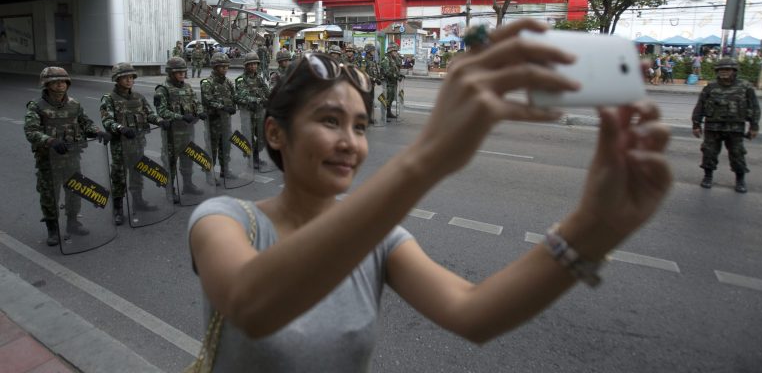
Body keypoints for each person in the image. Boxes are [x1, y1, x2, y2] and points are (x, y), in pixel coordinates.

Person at [187, 19, 672, 371]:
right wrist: (428, 158)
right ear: (275, 134)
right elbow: (252, 305)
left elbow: (473, 312)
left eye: (359, 126)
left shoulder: (380, 240)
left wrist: (593, 227)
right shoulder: (224, 219)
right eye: (329, 120)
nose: (350, 143)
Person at [24, 67, 111, 246]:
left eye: (63, 81)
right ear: (47, 84)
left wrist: (97, 132)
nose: (61, 84)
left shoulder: (74, 104)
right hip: (48, 160)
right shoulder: (37, 106)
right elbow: (31, 131)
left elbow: (85, 123)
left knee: (74, 192)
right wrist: (50, 141)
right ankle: (53, 228)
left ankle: (73, 223)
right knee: (50, 195)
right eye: (56, 81)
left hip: (72, 157)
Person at [100, 63, 169, 225]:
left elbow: (149, 114)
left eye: (131, 77)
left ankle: (138, 200)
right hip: (120, 145)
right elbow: (107, 120)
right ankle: (118, 208)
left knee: (137, 173)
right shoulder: (109, 99)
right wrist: (121, 128)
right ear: (117, 79)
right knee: (119, 176)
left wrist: (160, 121)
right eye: (125, 78)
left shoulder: (138, 97)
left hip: (138, 142)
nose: (129, 80)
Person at [692, 57, 761, 193]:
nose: (724, 72)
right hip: (713, 127)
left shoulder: (745, 87)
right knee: (709, 152)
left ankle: (740, 180)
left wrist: (754, 126)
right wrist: (696, 124)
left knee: (738, 154)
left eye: (727, 69)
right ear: (717, 71)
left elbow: (755, 107)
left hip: (735, 128)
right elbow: (700, 106)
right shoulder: (710, 87)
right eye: (721, 69)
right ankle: (708, 176)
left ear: (734, 71)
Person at [154, 57, 207, 203]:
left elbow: (196, 102)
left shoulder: (188, 87)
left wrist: (200, 112)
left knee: (188, 158)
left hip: (188, 131)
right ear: (170, 73)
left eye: (183, 71)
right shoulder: (162, 90)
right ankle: (170, 190)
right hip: (172, 133)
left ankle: (188, 185)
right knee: (170, 162)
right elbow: (162, 111)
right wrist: (181, 117)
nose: (182, 74)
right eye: (178, 72)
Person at [201, 52, 237, 181]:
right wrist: (223, 107)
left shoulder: (227, 82)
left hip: (226, 120)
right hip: (213, 121)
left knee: (226, 146)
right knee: (212, 148)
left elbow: (234, 96)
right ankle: (209, 173)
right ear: (215, 67)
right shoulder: (207, 83)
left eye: (226, 66)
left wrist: (235, 105)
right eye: (222, 66)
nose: (225, 69)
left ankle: (225, 170)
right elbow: (207, 100)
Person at [235, 52, 271, 168]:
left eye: (255, 64)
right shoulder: (241, 80)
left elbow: (267, 92)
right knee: (248, 138)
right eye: (250, 64)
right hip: (248, 114)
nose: (253, 66)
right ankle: (252, 159)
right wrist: (259, 100)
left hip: (259, 113)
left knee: (262, 137)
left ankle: (255, 157)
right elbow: (241, 97)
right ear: (246, 66)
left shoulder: (259, 78)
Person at [379, 43, 404, 120]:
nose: (396, 53)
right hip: (387, 83)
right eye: (394, 51)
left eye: (396, 51)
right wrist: (396, 76)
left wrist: (399, 75)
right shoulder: (386, 59)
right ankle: (384, 115)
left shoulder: (393, 59)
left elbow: (396, 69)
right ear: (390, 51)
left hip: (393, 82)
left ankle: (388, 113)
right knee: (387, 99)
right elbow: (387, 72)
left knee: (391, 98)